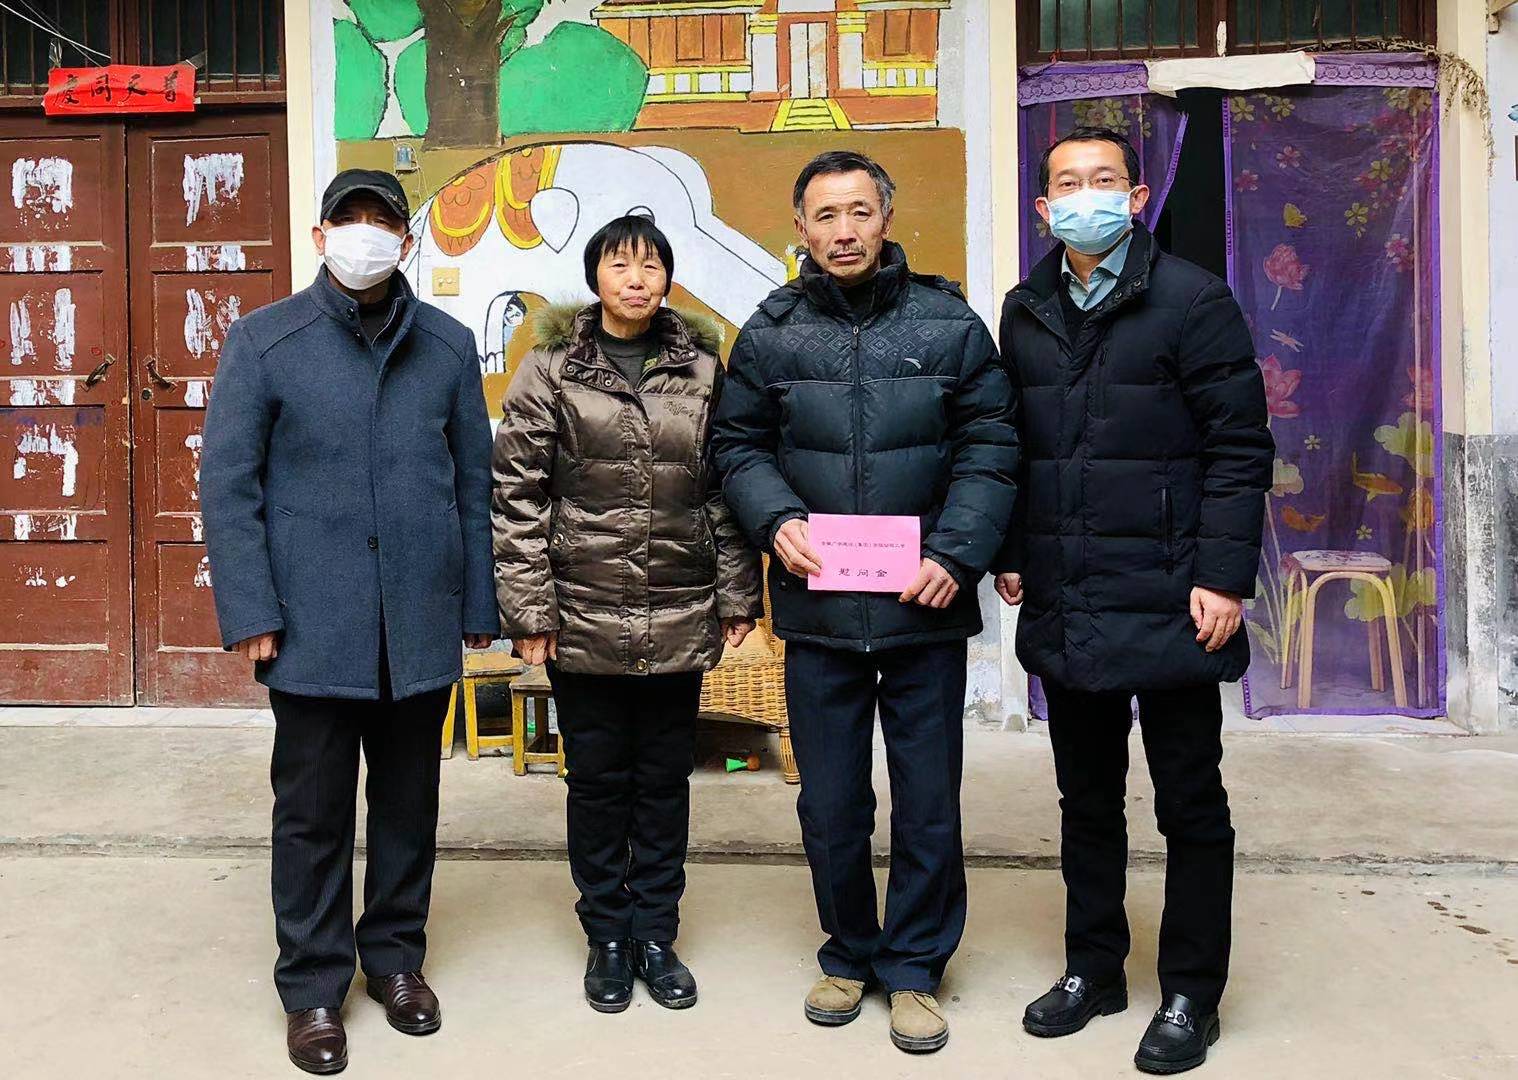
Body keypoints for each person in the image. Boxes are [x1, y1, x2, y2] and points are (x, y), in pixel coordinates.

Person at [711, 151, 1018, 1054]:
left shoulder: (949, 323)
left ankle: (915, 965)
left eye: (858, 212)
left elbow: (992, 445)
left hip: (925, 606)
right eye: (825, 215)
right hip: (818, 613)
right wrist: (775, 520)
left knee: (928, 801)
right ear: (799, 228)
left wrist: (957, 552)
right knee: (832, 804)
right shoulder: (770, 332)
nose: (843, 231)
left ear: (886, 217)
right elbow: (736, 445)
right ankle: (848, 952)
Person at [201, 169, 497, 1075]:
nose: (365, 233)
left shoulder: (446, 345)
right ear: (321, 235)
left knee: (408, 805)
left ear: (406, 241)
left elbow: (474, 483)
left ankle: (396, 961)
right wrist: (251, 609)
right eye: (348, 219)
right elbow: (229, 485)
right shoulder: (265, 341)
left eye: (382, 221)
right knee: (312, 814)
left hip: (417, 618)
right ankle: (313, 988)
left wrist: (477, 603)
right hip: (310, 624)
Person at [993, 128, 1273, 1075]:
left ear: (1138, 196)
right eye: (1068, 184)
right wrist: (1013, 551)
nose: (1087, 196)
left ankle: (1192, 991)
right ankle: (1094, 969)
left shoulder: (1193, 300)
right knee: (1086, 800)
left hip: (1176, 591)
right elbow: (1013, 443)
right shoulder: (1027, 308)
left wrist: (1224, 576)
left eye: (1104, 180)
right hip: (1070, 588)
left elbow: (1239, 447)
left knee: (1190, 802)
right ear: (1044, 208)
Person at [492, 215, 763, 1015]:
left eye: (651, 265)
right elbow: (516, 497)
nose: (636, 278)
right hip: (581, 611)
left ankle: (657, 934)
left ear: (668, 280)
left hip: (678, 607)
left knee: (665, 780)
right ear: (595, 278)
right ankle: (608, 935)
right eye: (620, 264)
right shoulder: (549, 369)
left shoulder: (704, 371)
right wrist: (530, 610)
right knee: (598, 781)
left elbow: (724, 490)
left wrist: (738, 595)